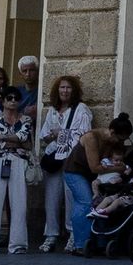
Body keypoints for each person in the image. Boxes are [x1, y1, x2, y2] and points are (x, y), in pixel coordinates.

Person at [64, 113, 133, 255]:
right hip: (75, 171)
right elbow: (95, 167)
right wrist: (119, 169)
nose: (121, 143)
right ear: (112, 132)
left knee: (97, 204)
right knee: (84, 202)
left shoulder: (112, 142)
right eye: (120, 139)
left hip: (91, 176)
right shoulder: (92, 138)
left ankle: (96, 242)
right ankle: (80, 244)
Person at [36, 75, 91, 252]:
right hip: (54, 158)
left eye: (68, 87)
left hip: (71, 159)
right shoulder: (53, 110)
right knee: (51, 198)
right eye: (62, 87)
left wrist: (61, 133)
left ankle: (73, 233)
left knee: (71, 197)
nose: (65, 91)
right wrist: (51, 135)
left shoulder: (81, 109)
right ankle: (51, 234)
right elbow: (44, 134)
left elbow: (84, 134)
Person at [0, 89, 34, 254]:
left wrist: (4, 137)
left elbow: (23, 138)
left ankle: (18, 244)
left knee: (19, 204)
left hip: (18, 161)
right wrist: (16, 140)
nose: (13, 101)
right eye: (9, 98)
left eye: (16, 98)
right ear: (3, 101)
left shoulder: (25, 120)